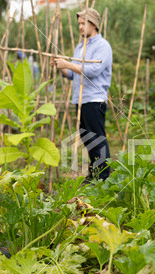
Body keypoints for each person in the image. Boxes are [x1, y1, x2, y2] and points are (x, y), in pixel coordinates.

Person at [52, 8, 112, 180]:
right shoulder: (80, 47)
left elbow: (94, 70)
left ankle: (104, 176)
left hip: (95, 98)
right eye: (78, 24)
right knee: (88, 138)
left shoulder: (103, 46)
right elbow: (72, 74)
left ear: (93, 24)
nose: (80, 27)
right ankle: (94, 173)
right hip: (81, 98)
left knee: (97, 138)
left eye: (83, 23)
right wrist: (62, 67)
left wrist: (69, 64)